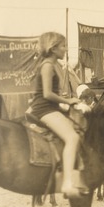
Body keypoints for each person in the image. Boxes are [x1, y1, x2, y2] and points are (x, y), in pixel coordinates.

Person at [27, 32, 85, 198]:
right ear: (53, 49)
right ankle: (67, 183)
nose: (65, 49)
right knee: (72, 138)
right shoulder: (47, 66)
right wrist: (69, 101)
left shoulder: (55, 65)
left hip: (51, 107)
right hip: (43, 108)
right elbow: (46, 94)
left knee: (79, 128)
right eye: (63, 46)